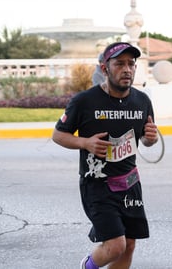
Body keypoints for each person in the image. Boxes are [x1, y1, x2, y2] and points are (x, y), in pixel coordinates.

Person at [52, 42, 158, 269]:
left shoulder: (142, 101)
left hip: (130, 183)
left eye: (131, 64)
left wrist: (151, 138)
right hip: (97, 184)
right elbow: (58, 135)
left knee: (129, 244)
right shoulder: (84, 101)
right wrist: (85, 143)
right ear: (104, 68)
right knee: (115, 245)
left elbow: (146, 139)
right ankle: (87, 266)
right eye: (119, 64)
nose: (127, 69)